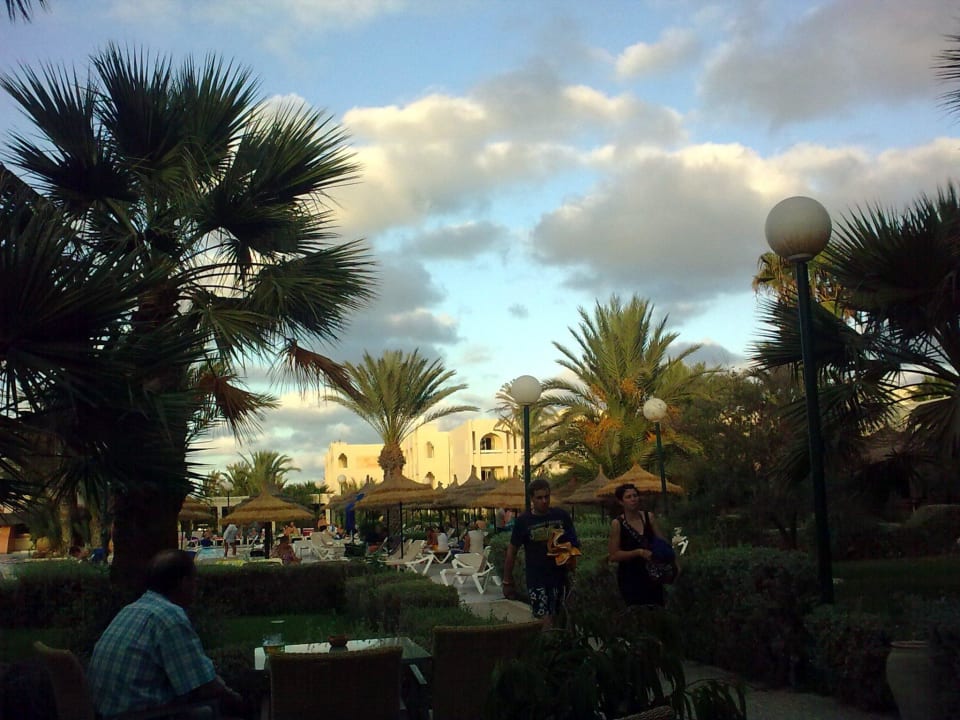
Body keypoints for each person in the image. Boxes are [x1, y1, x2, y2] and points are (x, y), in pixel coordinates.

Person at [87, 550, 246, 719]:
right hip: (142, 715)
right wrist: (238, 701)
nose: (196, 587)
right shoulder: (170, 617)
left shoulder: (132, 609)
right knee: (211, 712)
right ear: (184, 583)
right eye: (195, 580)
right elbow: (203, 684)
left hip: (106, 713)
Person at [502, 478, 580, 628]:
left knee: (560, 619)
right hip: (537, 579)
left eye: (547, 497)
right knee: (544, 621)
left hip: (560, 577)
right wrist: (507, 580)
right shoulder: (524, 521)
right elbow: (512, 551)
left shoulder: (561, 516)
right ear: (532, 499)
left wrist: (567, 552)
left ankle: (558, 648)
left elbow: (574, 543)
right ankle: (546, 648)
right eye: (539, 497)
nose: (544, 501)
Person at [608, 483, 676, 607]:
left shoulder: (648, 517)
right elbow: (614, 555)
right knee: (637, 610)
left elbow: (661, 541)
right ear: (621, 502)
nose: (633, 499)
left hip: (653, 573)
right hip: (631, 576)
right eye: (628, 497)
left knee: (657, 607)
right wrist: (638, 552)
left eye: (635, 495)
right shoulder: (617, 524)